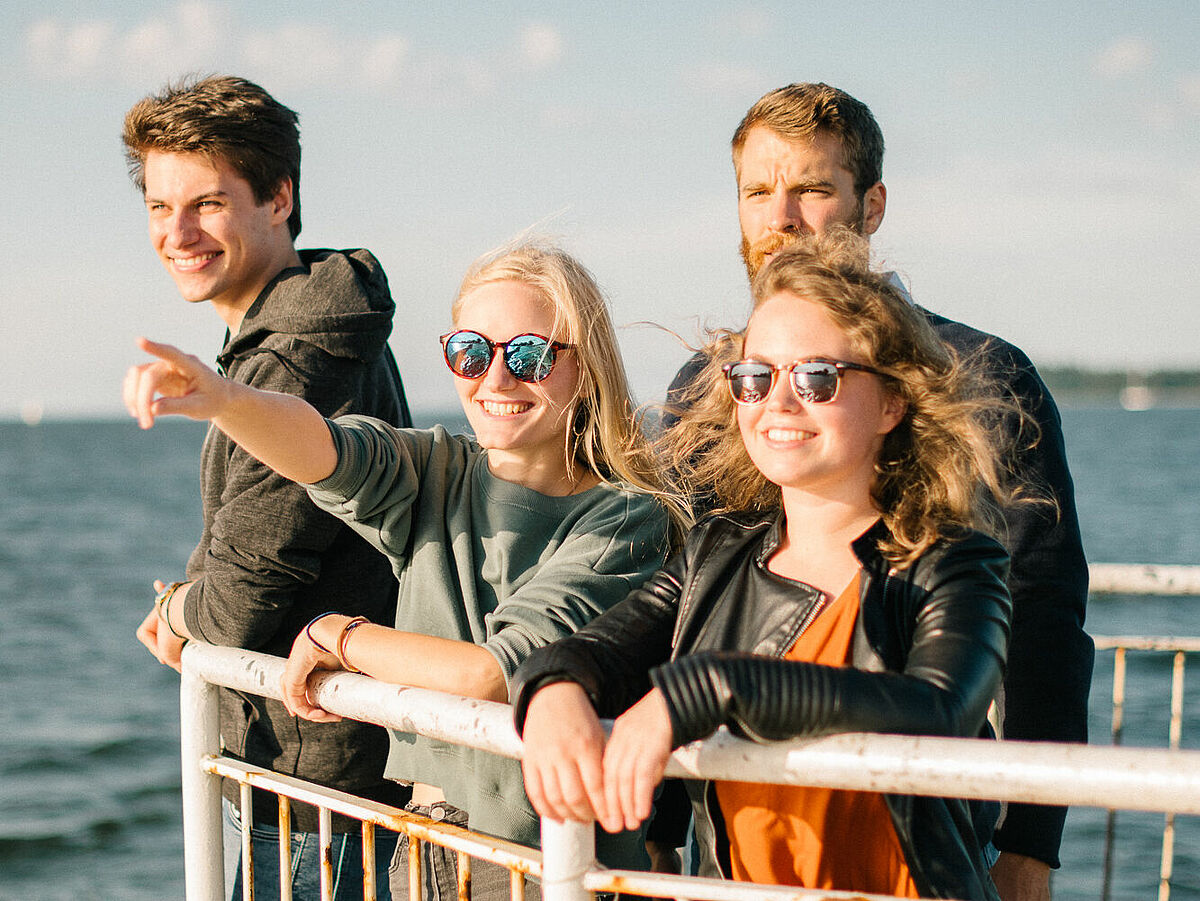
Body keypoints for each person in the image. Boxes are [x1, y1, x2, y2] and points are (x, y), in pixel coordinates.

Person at [123, 240, 684, 901]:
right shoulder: (433, 472)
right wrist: (224, 400)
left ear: (584, 366)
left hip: (555, 866)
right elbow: (322, 448)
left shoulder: (627, 518)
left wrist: (340, 635)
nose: (496, 379)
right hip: (426, 848)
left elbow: (493, 673)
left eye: (528, 354)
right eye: (471, 352)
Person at [662, 82, 1092, 901]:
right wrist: (650, 834)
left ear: (874, 204)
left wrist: (1031, 844)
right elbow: (681, 612)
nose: (781, 217)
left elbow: (1042, 618)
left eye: (813, 189)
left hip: (918, 835)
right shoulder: (708, 388)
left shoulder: (983, 375)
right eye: (758, 191)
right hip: (741, 846)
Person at [513, 234, 1025, 899]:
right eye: (755, 377)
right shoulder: (715, 556)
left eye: (817, 377)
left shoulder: (954, 564)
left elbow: (938, 710)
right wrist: (551, 690)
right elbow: (595, 652)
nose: (778, 402)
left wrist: (708, 690)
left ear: (893, 401)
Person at [123, 75, 412, 900]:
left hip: (319, 786)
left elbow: (242, 601)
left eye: (207, 203)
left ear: (278, 196)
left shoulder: (297, 358)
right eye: (157, 206)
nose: (177, 233)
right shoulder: (306, 330)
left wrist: (176, 607)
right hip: (332, 770)